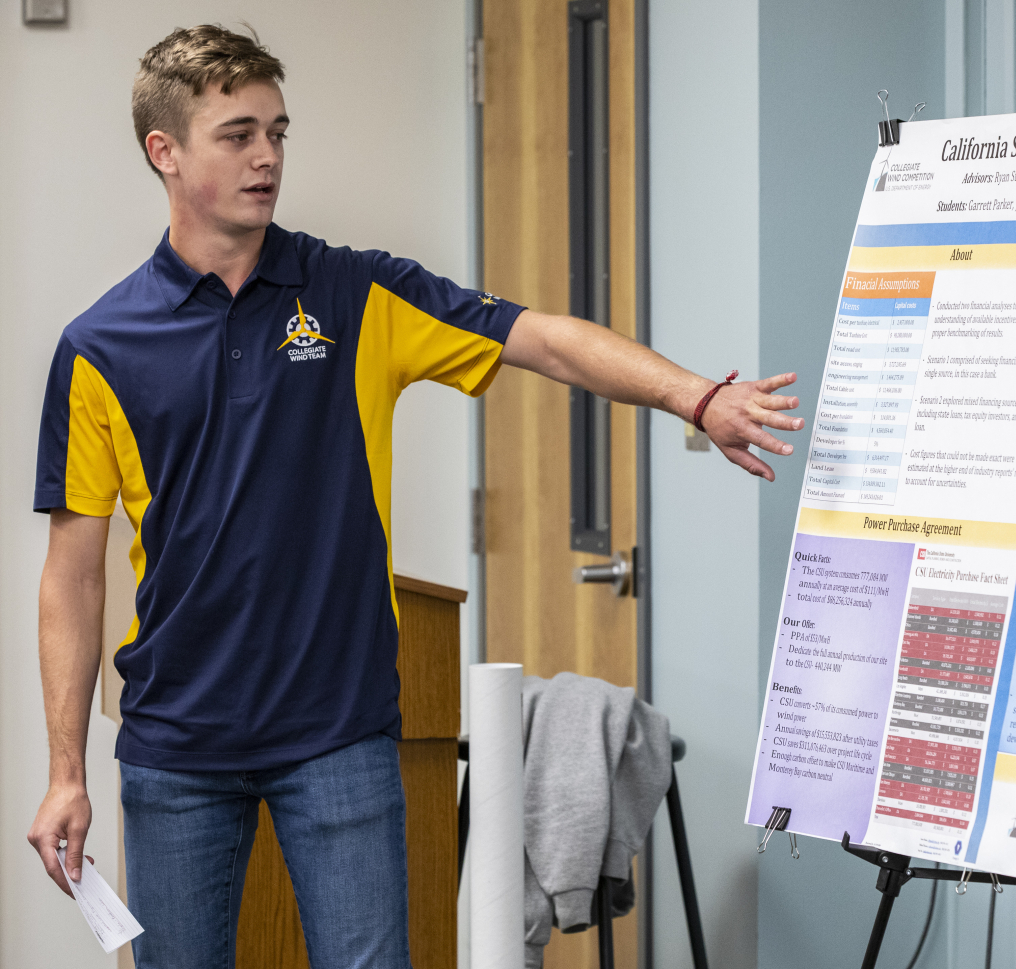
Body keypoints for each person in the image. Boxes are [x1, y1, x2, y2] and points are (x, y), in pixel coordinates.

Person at [26, 24, 802, 969]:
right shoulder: (100, 346)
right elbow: (71, 577)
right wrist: (66, 769)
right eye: (237, 134)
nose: (267, 155)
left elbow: (539, 337)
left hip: (338, 736)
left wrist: (698, 394)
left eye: (277, 130)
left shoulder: (352, 294)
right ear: (165, 151)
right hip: (176, 747)